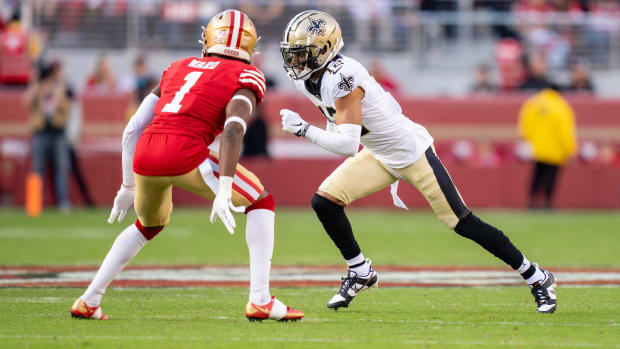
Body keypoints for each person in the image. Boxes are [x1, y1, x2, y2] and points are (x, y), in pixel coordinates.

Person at [279, 10, 557, 314]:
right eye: (293, 54)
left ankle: (537, 277)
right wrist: (317, 129)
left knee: (462, 222)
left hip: (411, 152)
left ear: (325, 50)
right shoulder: (310, 81)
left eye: (302, 54)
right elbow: (338, 125)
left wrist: (304, 130)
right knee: (325, 202)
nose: (296, 62)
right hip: (379, 153)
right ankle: (360, 271)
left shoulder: (343, 77)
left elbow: (347, 145)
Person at [70, 10, 303, 322]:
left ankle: (89, 299)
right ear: (249, 46)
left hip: (146, 151)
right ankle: (260, 299)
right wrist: (223, 188)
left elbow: (132, 128)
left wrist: (128, 185)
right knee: (262, 200)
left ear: (208, 39)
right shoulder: (246, 75)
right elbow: (234, 128)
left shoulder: (177, 68)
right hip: (185, 152)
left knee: (147, 225)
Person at [518, 87, 577, 209]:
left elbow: (525, 125)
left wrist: (531, 140)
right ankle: (547, 202)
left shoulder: (533, 103)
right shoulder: (561, 106)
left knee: (537, 176)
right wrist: (570, 150)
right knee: (551, 178)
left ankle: (532, 201)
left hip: (537, 149)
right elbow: (565, 131)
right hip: (555, 151)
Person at [24, 61, 72, 211]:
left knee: (61, 168)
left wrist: (56, 96)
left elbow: (68, 108)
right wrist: (35, 84)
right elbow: (26, 102)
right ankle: (35, 204)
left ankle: (63, 203)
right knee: (37, 168)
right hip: (40, 132)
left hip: (58, 131)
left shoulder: (61, 88)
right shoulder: (37, 87)